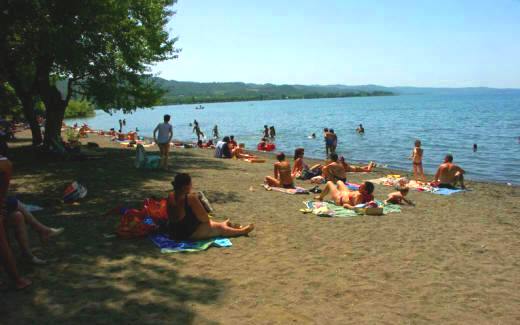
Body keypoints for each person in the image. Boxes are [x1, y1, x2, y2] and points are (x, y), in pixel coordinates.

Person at [167, 173, 254, 240]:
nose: (192, 186)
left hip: (173, 230)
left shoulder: (171, 195)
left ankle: (222, 224)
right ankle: (241, 231)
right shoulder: (190, 198)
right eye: (190, 184)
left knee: (213, 224)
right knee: (219, 228)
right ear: (185, 186)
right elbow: (204, 219)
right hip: (186, 233)